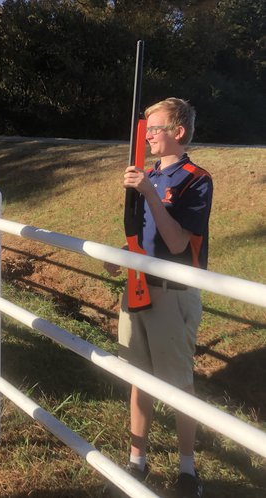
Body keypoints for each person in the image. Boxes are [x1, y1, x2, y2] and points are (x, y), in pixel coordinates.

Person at [104, 98, 213, 498]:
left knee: (180, 384)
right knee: (138, 379)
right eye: (146, 129)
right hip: (137, 287)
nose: (147, 135)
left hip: (173, 294)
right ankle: (137, 462)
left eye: (155, 128)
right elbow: (146, 236)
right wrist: (123, 253)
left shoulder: (195, 179)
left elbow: (178, 242)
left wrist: (149, 193)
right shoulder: (148, 175)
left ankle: (187, 471)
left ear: (178, 132)